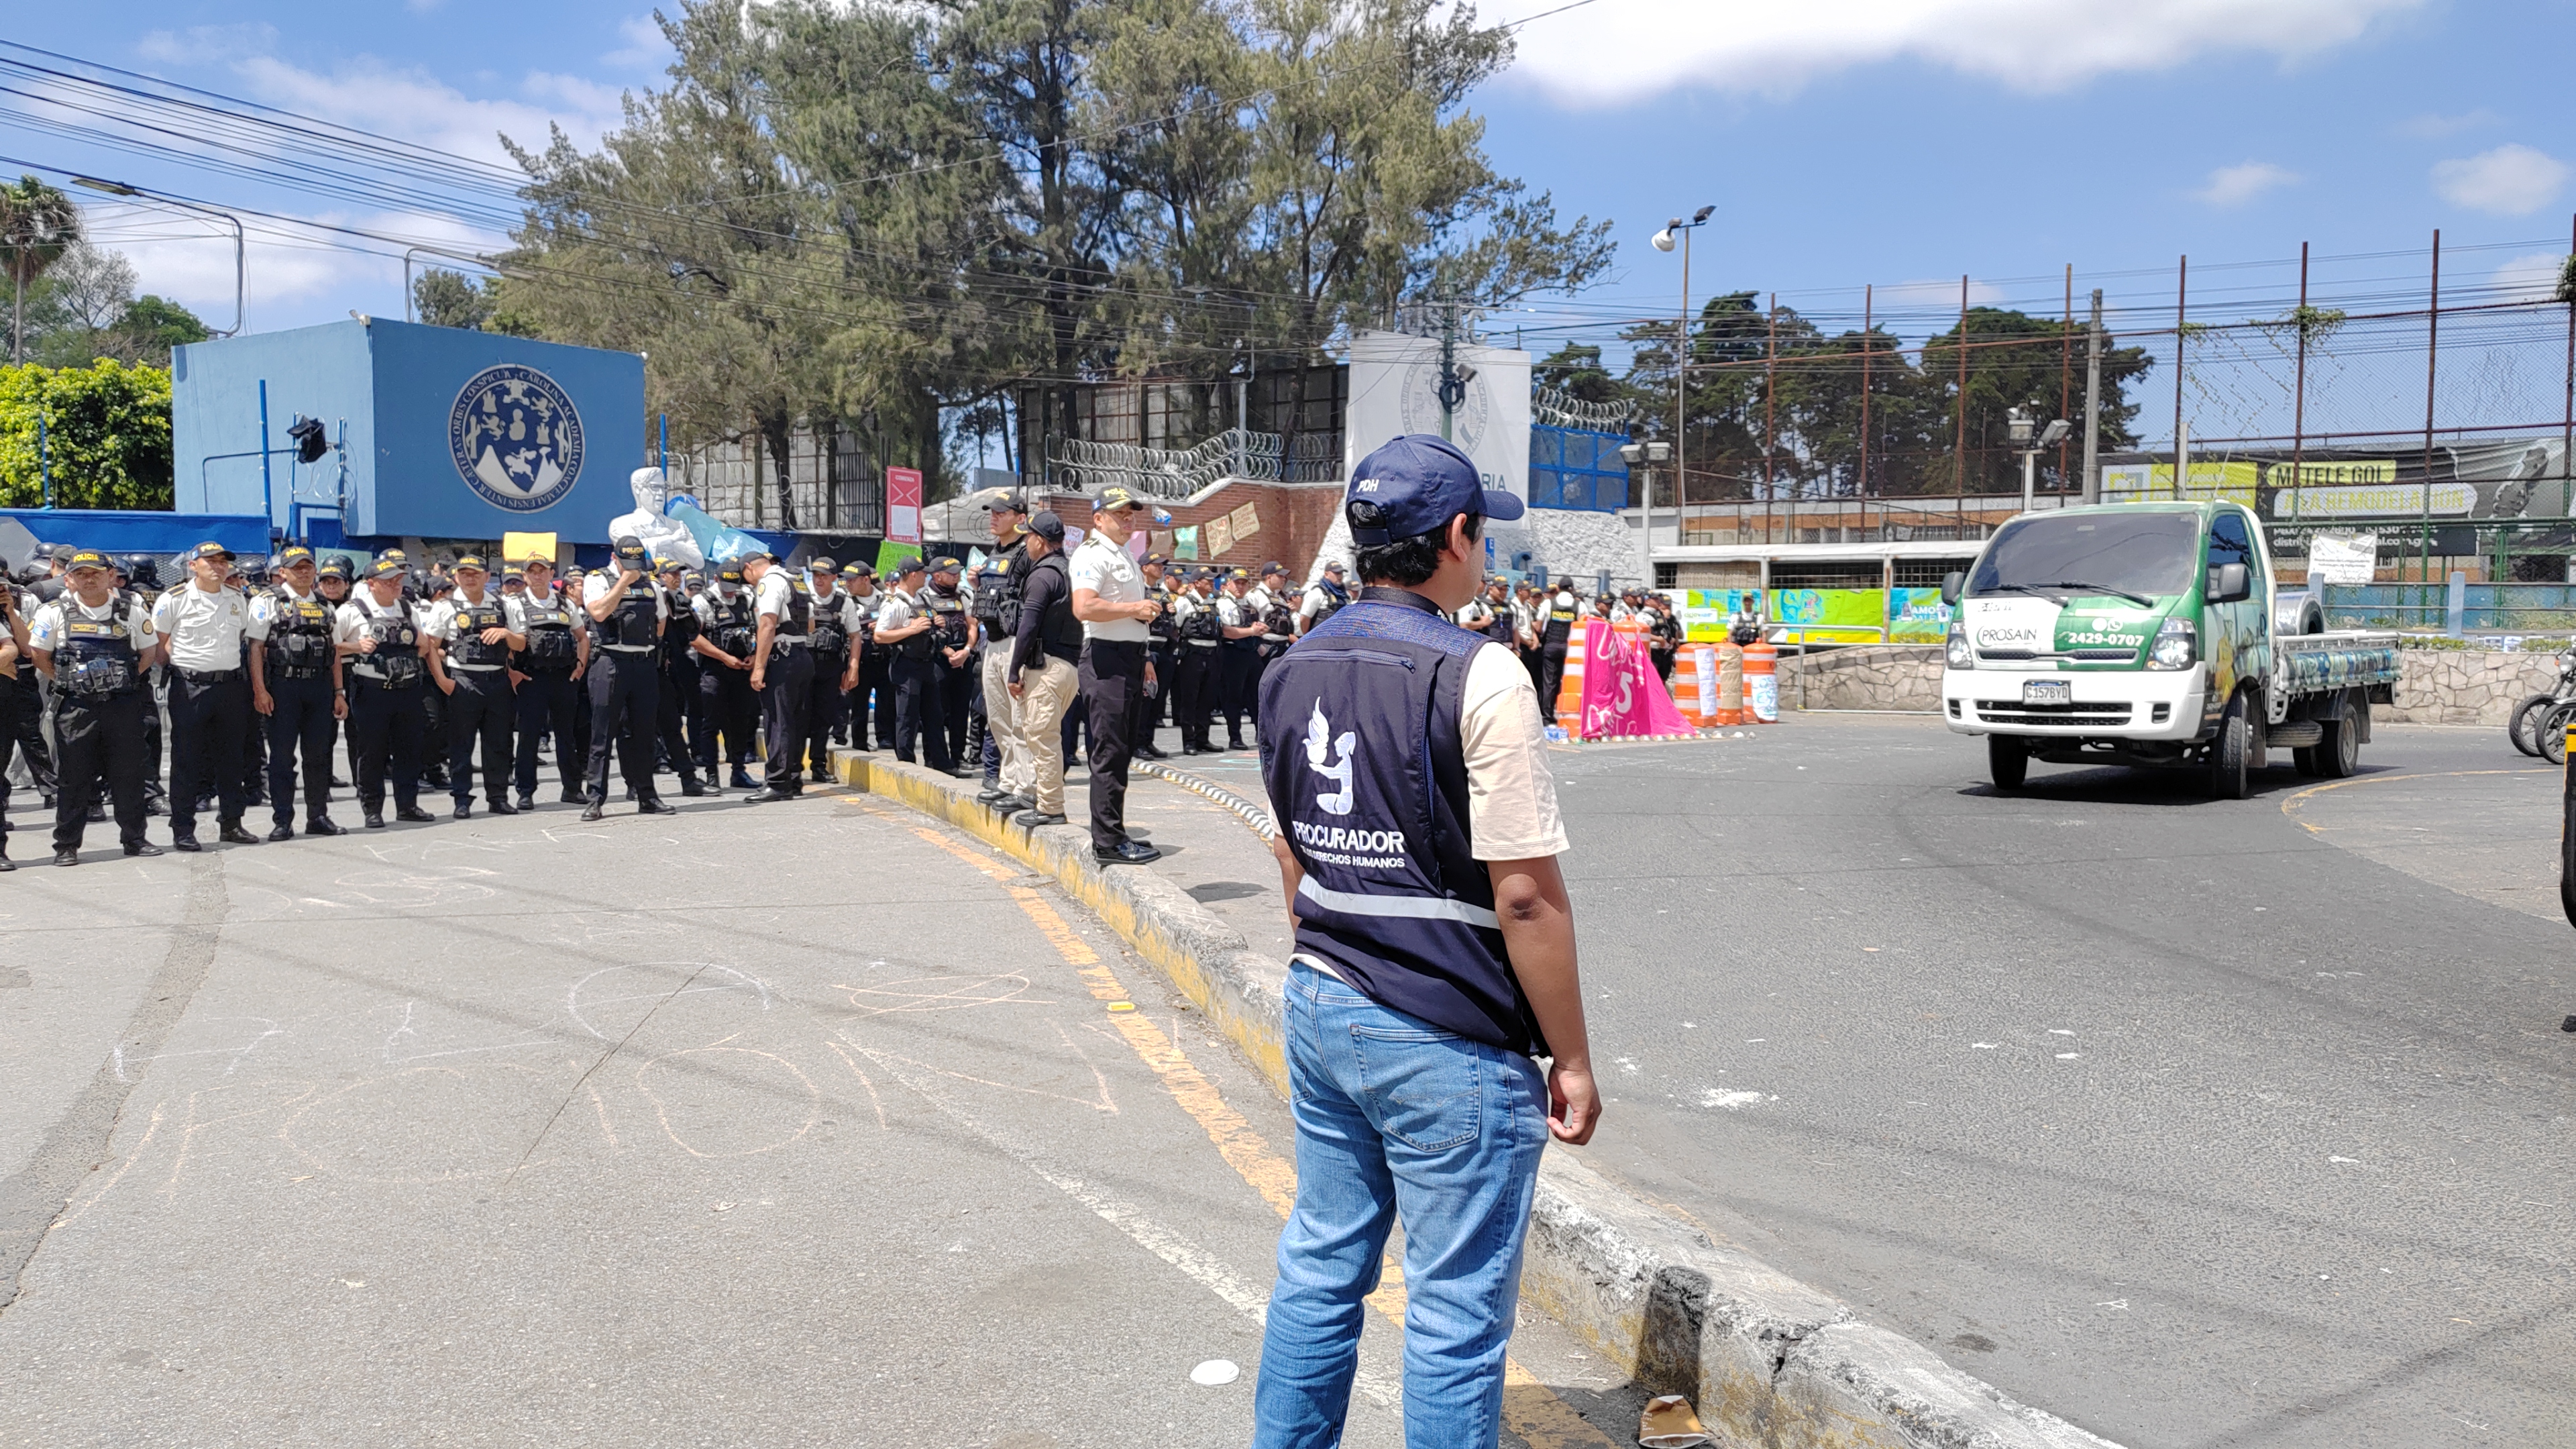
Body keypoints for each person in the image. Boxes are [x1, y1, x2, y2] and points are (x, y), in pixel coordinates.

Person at [1250, 433, 1596, 1446]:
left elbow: (1290, 851)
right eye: (1481, 535)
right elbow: (1525, 899)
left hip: (1323, 996)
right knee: (1452, 1314)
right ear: (1457, 537)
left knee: (1321, 1265)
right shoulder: (1483, 673)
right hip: (1445, 1034)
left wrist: (1339, 945)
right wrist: (1569, 1056)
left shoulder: (1290, 665)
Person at [30, 549, 164, 865]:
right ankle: (66, 845)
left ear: (110, 576)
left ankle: (135, 838)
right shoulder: (54, 612)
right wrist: (68, 682)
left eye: (96, 573)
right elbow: (39, 655)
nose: (89, 579)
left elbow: (148, 653)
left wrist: (122, 681)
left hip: (123, 705)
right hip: (77, 708)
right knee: (74, 778)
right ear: (70, 579)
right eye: (81, 574)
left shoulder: (131, 610)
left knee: (129, 775)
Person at [1071, 486, 1161, 865]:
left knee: (1121, 749)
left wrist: (1143, 655)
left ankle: (1116, 833)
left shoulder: (1122, 553)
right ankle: (1107, 843)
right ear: (1098, 518)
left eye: (1131, 513)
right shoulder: (1092, 554)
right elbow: (1084, 606)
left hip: (1128, 656)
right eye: (1120, 513)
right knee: (1108, 751)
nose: (1128, 519)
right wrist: (1135, 607)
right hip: (1105, 659)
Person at [152, 540, 260, 851]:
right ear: (193, 566)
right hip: (191, 687)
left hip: (229, 687)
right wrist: (185, 668)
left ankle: (232, 823)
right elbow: (161, 644)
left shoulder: (237, 598)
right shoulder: (174, 599)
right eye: (210, 561)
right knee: (187, 760)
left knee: (231, 758)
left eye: (223, 561)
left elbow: (241, 639)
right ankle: (183, 829)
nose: (218, 566)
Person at [246, 544, 351, 840]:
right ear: (283, 572)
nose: (303, 572)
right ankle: (283, 820)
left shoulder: (326, 605)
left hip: (319, 686)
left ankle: (317, 816)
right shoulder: (267, 601)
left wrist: (339, 692)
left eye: (308, 567)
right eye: (296, 568)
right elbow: (255, 648)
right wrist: (260, 690)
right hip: (283, 686)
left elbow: (334, 653)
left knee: (318, 756)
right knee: (282, 757)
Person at [337, 554, 440, 830]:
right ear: (371, 584)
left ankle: (407, 806)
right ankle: (372, 809)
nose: (395, 585)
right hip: (372, 691)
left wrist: (421, 644)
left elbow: (424, 646)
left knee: (408, 750)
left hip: (407, 690)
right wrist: (356, 647)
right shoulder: (352, 610)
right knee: (372, 752)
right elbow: (332, 647)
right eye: (388, 581)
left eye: (398, 580)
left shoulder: (408, 609)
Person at [580, 535, 676, 820]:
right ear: (615, 558)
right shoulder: (597, 580)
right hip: (610, 662)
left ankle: (647, 795)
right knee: (602, 735)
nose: (634, 570)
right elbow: (597, 612)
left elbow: (661, 622)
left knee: (644, 734)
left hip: (643, 664)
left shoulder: (651, 585)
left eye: (638, 564)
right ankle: (595, 799)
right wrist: (623, 583)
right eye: (628, 564)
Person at [1001, 511, 1082, 825]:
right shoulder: (1071, 571)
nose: (1025, 544)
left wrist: (1013, 670)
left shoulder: (1042, 575)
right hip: (1069, 667)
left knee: (1043, 740)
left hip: (1047, 667)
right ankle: (1048, 802)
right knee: (1047, 737)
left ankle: (1050, 808)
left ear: (1038, 540)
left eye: (1027, 537)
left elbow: (1028, 626)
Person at [425, 553, 518, 818]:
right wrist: (442, 680)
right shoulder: (446, 606)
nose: (470, 578)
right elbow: (430, 645)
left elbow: (521, 643)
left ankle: (498, 797)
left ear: (487, 577)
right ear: (456, 577)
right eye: (464, 574)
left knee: (498, 744)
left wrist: (507, 634)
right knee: (461, 745)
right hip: (463, 680)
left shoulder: (503, 605)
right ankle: (462, 799)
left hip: (497, 681)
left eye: (476, 573)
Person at [502, 555, 589, 810]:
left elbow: (583, 638)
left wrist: (581, 666)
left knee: (567, 736)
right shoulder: (514, 604)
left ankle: (572, 789)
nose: (538, 575)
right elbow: (507, 642)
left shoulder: (565, 604)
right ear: (525, 575)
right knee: (529, 737)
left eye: (543, 571)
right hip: (531, 677)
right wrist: (512, 673)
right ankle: (525, 792)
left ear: (552, 574)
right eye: (533, 571)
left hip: (564, 677)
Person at [974, 496, 1035, 800]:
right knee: (997, 718)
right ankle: (1009, 781)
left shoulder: (1027, 551)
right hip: (993, 641)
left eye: (1001, 513)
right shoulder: (994, 551)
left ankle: (1027, 786)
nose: (994, 517)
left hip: (1015, 642)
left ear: (1020, 517)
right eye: (992, 512)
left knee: (1019, 719)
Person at [743, 546, 813, 802]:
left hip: (781, 657)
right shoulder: (796, 581)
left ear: (750, 567)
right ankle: (793, 778)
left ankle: (777, 783)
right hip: (802, 654)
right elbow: (812, 623)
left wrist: (759, 667)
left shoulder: (770, 582)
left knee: (777, 721)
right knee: (796, 720)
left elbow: (768, 623)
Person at [873, 557, 950, 770]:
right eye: (924, 573)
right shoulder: (895, 603)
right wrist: (911, 630)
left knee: (934, 716)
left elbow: (928, 626)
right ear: (914, 575)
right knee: (907, 717)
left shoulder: (922, 600)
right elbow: (880, 635)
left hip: (926, 664)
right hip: (906, 666)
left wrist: (937, 623)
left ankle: (939, 762)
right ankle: (907, 764)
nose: (926, 576)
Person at [693, 565, 761, 789]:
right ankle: (712, 774)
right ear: (716, 579)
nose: (731, 592)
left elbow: (759, 629)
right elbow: (694, 638)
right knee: (712, 723)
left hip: (741, 669)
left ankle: (739, 771)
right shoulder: (703, 601)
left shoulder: (746, 599)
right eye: (727, 586)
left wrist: (754, 655)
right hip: (714, 670)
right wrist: (723, 657)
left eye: (735, 586)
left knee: (741, 723)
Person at [653, 559, 712, 796]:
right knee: (637, 728)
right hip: (644, 668)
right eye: (671, 573)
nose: (676, 577)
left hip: (670, 668)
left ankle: (688, 778)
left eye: (678, 573)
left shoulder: (679, 600)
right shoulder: (649, 596)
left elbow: (691, 633)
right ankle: (639, 781)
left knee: (673, 725)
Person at [922, 556, 979, 775]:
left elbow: (972, 624)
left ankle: (958, 755)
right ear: (937, 575)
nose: (956, 576)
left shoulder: (964, 594)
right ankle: (934, 757)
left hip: (963, 657)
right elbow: (928, 629)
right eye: (951, 573)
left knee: (960, 710)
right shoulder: (925, 597)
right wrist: (948, 652)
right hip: (938, 659)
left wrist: (967, 650)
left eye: (958, 573)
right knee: (936, 711)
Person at [802, 557, 851, 784]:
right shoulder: (803, 597)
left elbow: (855, 636)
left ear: (834, 577)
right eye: (816, 575)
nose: (819, 579)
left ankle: (818, 766)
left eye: (824, 575)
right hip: (804, 666)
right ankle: (794, 768)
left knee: (823, 718)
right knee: (800, 716)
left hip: (831, 666)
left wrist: (854, 667)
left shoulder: (843, 602)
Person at [1169, 569, 1222, 755]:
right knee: (1189, 699)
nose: (1211, 584)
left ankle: (1203, 738)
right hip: (1192, 654)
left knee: (1207, 699)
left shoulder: (1214, 602)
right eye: (1207, 581)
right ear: (1197, 582)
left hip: (1212, 654)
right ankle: (1189, 741)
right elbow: (1175, 627)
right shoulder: (1184, 602)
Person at [841, 561, 890, 753]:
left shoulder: (885, 599)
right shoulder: (846, 601)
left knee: (886, 700)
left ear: (865, 580)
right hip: (860, 658)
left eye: (852, 580)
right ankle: (860, 740)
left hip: (884, 656)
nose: (848, 584)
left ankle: (885, 737)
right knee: (859, 702)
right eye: (847, 580)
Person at [1216, 570, 1265, 750]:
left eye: (1244, 583)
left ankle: (1261, 734)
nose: (1240, 586)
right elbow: (1227, 631)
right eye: (1237, 583)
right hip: (1233, 653)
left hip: (1251, 652)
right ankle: (1235, 737)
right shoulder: (1224, 603)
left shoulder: (1249, 602)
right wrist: (1252, 631)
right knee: (1233, 697)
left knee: (1258, 695)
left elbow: (1252, 624)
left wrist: (1260, 630)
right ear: (1228, 584)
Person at [1135, 553, 1174, 761]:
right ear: (1144, 568)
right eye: (1157, 565)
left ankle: (1148, 741)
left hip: (1164, 647)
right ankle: (1138, 743)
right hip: (1146, 646)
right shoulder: (1138, 589)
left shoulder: (1163, 592)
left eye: (1162, 566)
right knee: (1144, 698)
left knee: (1158, 699)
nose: (1161, 569)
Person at [1537, 582, 1581, 709]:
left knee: (1549, 682)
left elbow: (1539, 627)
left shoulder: (1548, 603)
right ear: (1572, 589)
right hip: (1571, 650)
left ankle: (1547, 715)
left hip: (1551, 645)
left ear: (1558, 588)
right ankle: (1565, 710)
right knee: (1569, 681)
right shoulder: (1579, 605)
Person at [1295, 560, 1350, 637]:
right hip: (1319, 641)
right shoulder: (1318, 592)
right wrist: (1308, 637)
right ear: (1326, 574)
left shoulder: (1344, 595)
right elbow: (1304, 618)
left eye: (1341, 573)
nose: (1340, 576)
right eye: (1337, 573)